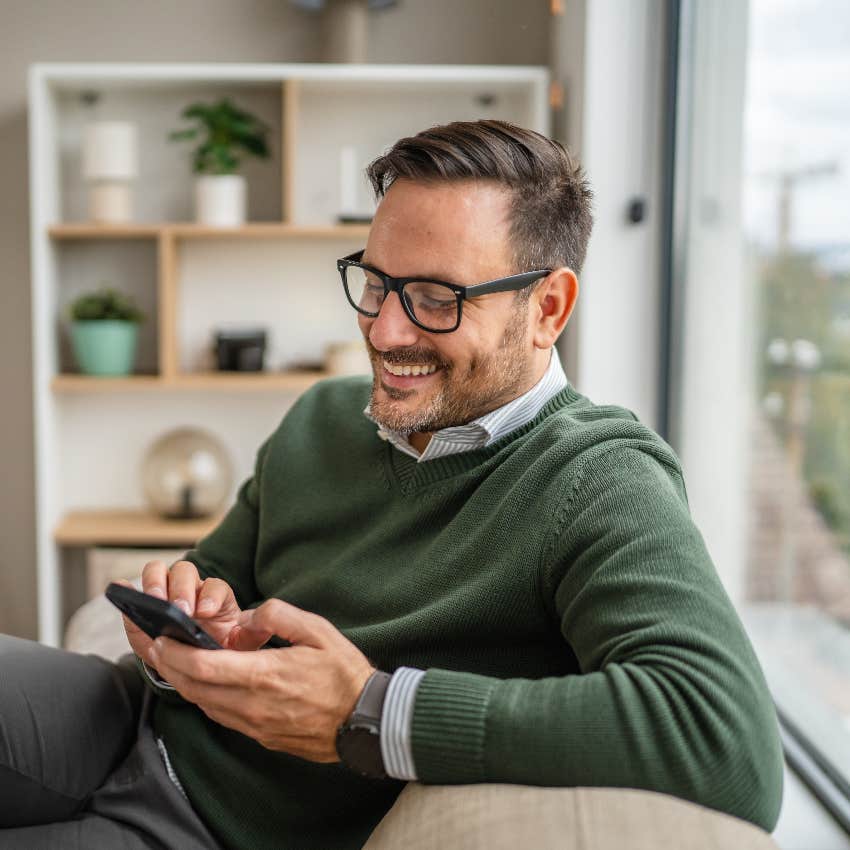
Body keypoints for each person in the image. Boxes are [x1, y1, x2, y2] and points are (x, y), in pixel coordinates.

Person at [0, 119, 784, 849]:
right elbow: (219, 571)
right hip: (122, 714)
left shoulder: (599, 479)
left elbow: (723, 740)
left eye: (437, 300)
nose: (384, 331)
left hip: (212, 830)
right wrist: (185, 603)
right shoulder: (324, 416)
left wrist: (367, 711)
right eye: (377, 284)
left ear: (548, 307)